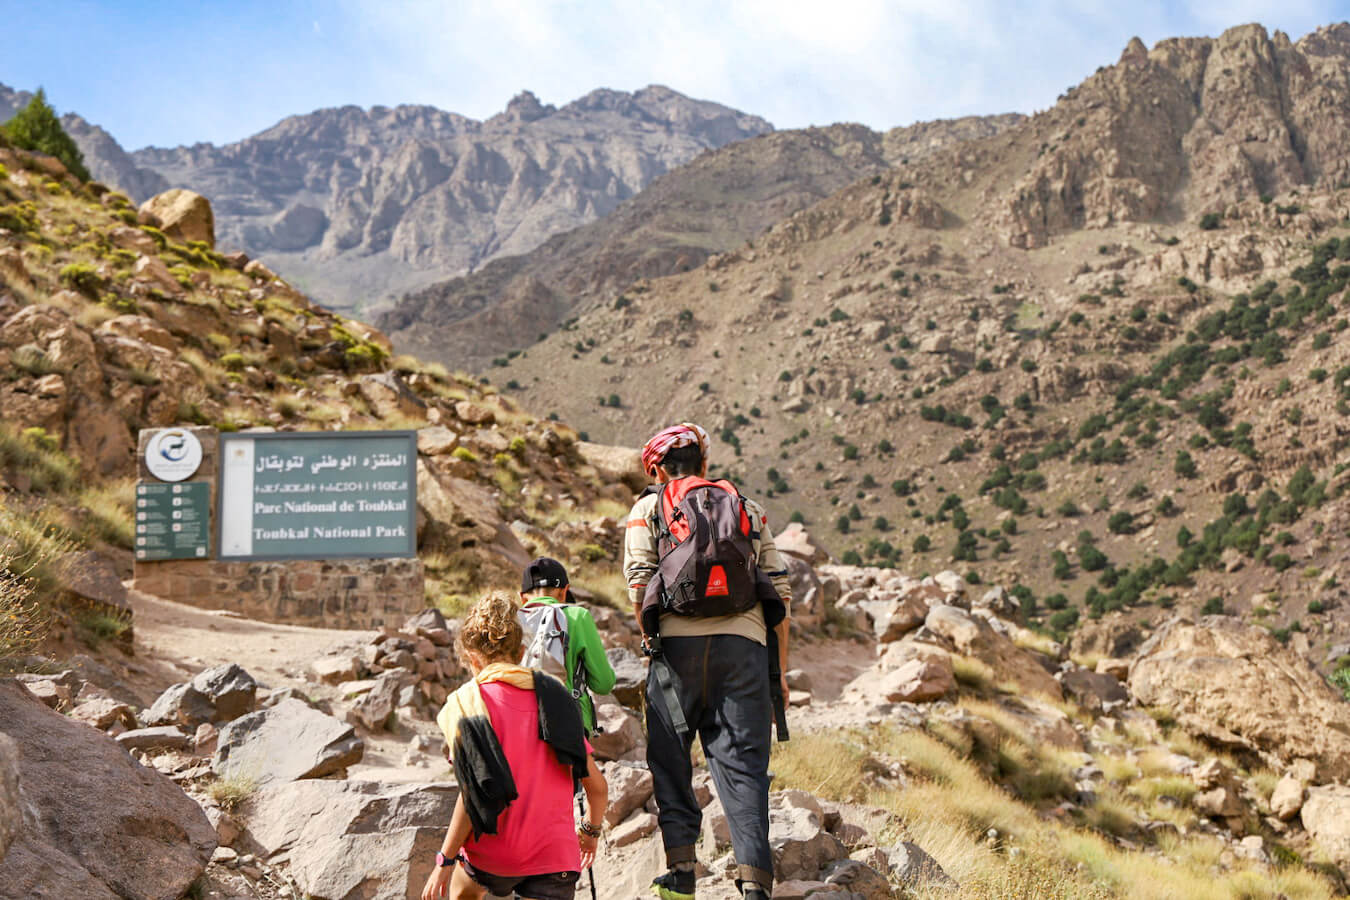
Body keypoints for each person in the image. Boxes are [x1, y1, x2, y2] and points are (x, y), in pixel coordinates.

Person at [623, 423, 792, 900]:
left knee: (672, 762)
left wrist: (652, 641)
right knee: (744, 769)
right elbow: (780, 593)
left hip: (675, 653)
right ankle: (756, 889)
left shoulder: (649, 508)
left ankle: (680, 879)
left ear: (655, 469)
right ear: (706, 465)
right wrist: (777, 674)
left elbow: (639, 585)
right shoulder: (747, 509)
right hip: (745, 652)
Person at [422, 590, 608, 900]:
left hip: (493, 857)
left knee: (462, 889)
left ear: (472, 658)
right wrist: (590, 833)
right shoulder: (556, 695)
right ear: (522, 651)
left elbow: (474, 795)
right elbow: (598, 788)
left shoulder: (467, 704)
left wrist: (445, 859)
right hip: (556, 859)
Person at [518, 557, 617, 735]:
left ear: (522, 597)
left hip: (520, 725)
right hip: (569, 724)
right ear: (565, 591)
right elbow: (603, 683)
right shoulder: (577, 616)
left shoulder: (510, 621)